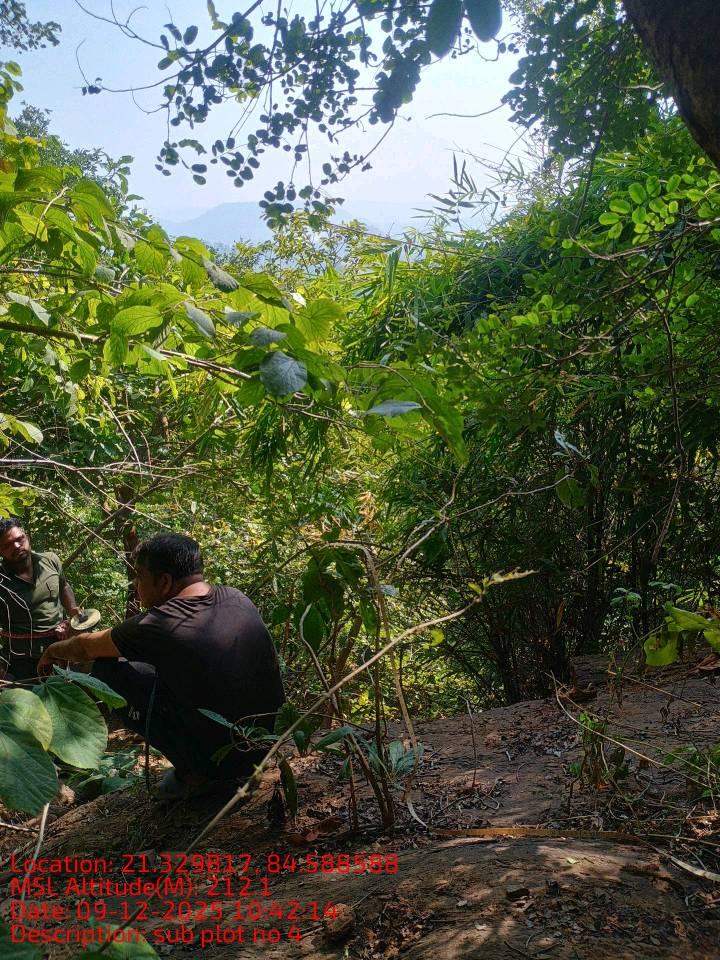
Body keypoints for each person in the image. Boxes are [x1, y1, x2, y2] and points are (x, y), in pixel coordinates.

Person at [38, 532, 286, 801]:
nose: (136, 585)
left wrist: (52, 651)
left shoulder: (160, 623)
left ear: (165, 581)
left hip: (222, 762)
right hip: (267, 742)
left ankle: (195, 774)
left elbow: (86, 647)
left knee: (107, 670)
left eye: (140, 576)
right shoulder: (236, 597)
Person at [0, 518, 81, 683]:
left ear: (27, 537)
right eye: (7, 545)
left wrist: (73, 612)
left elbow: (64, 586)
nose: (17, 546)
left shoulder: (50, 561)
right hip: (21, 660)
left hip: (60, 650)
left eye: (20, 539)